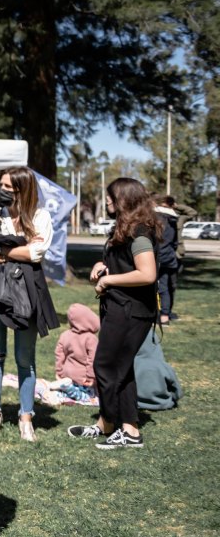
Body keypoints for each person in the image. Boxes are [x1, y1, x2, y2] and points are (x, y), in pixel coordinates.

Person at [69, 178, 160, 449]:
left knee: (105, 367)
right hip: (118, 308)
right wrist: (102, 265)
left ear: (125, 198)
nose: (106, 200)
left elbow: (147, 273)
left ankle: (109, 422)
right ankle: (128, 429)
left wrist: (109, 281)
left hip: (132, 311)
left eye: (111, 196)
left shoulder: (140, 232)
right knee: (123, 368)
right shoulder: (124, 228)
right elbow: (123, 263)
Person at [0, 166, 59, 442]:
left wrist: (3, 251)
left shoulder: (40, 217)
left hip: (26, 292)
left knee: (25, 359)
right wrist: (17, 251)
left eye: (9, 188)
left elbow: (37, 252)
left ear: (22, 191)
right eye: (1, 185)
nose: (3, 191)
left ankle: (26, 417)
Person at [54, 303, 100, 402]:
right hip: (83, 379)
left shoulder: (65, 335)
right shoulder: (91, 339)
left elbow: (59, 355)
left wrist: (59, 372)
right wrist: (91, 377)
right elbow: (93, 360)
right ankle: (73, 391)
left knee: (71, 385)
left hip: (67, 375)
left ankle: (65, 389)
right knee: (90, 396)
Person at [154, 195, 179, 325]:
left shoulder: (155, 219)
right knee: (164, 286)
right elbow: (175, 242)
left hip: (158, 256)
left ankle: (161, 315)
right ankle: (164, 315)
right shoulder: (173, 220)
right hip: (169, 257)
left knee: (159, 287)